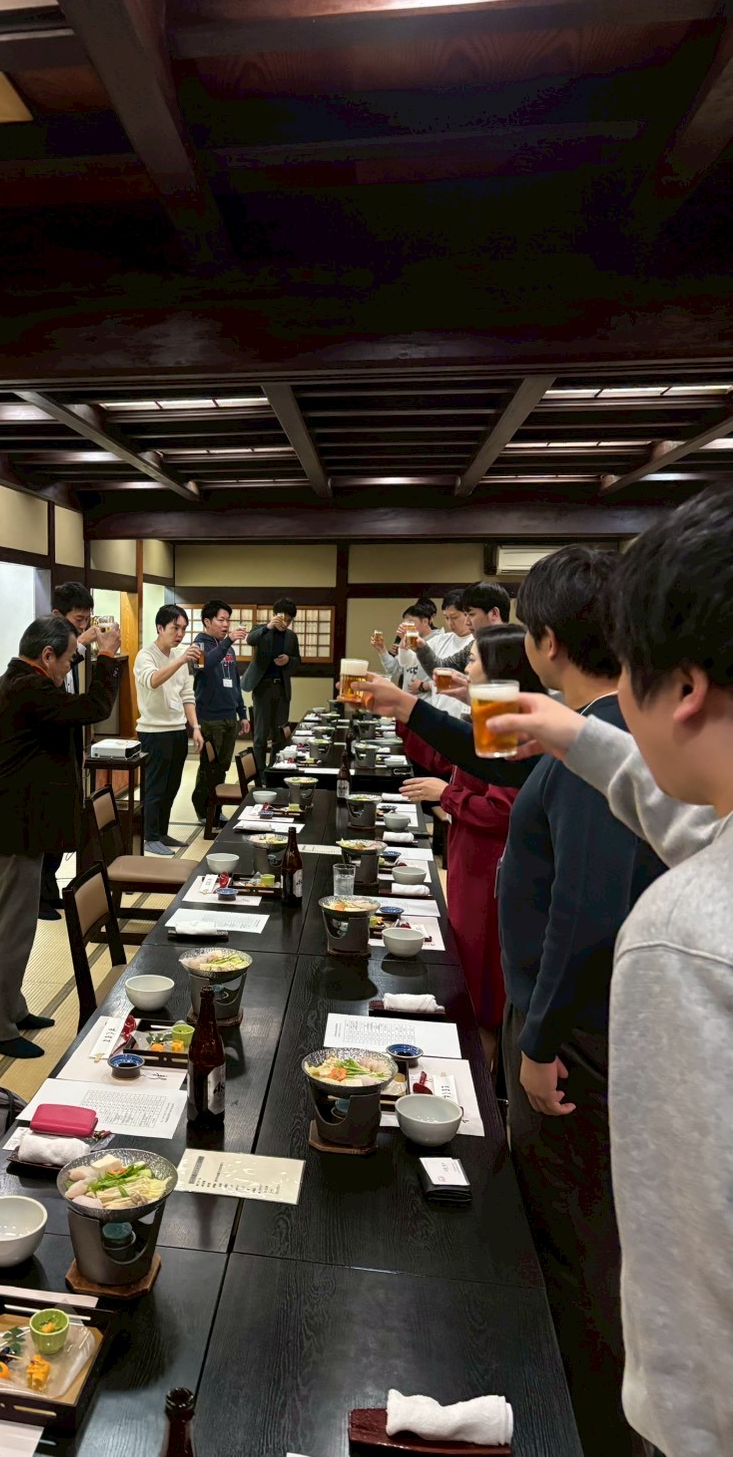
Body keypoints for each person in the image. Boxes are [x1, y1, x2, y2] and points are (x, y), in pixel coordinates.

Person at [359, 548, 663, 1457]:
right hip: (587, 1030)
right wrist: (413, 707)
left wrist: (537, 1039)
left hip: (576, 1043)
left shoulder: (600, 742)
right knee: (569, 1236)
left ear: (547, 640)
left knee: (573, 1250)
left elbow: (584, 909)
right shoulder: (592, 729)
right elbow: (490, 752)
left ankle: (582, 1425)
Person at [485, 486, 733, 1457]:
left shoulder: (683, 935)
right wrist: (569, 734)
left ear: (684, 688)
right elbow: (691, 822)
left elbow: (682, 1269)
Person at [0, 616, 123, 1059]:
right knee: (11, 930)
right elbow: (93, 708)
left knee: (15, 927)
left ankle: (12, 1008)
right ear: (47, 655)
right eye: (68, 659)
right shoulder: (29, 689)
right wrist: (107, 656)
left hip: (14, 827)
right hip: (12, 830)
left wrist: (85, 648)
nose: (70, 668)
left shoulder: (12, 684)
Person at [398, 625, 544, 1066]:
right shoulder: (492, 718)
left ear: (501, 670)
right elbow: (450, 758)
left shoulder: (515, 731)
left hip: (489, 867)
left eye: (475, 658)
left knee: (481, 985)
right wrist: (405, 714)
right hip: (468, 858)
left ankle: (480, 1079)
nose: (466, 666)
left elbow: (503, 809)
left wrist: (446, 795)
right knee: (464, 958)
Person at [39, 581, 102, 920]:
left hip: (69, 743)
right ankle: (39, 896)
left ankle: (50, 888)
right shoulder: (45, 648)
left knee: (62, 822)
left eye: (87, 619)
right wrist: (82, 643)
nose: (84, 625)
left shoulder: (69, 651)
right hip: (47, 753)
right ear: (57, 615)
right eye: (79, 620)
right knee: (47, 824)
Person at [134, 605, 204, 855]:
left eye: (183, 629)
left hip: (177, 730)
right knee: (155, 786)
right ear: (160, 628)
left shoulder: (178, 656)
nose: (180, 634)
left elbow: (187, 696)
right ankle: (150, 836)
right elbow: (153, 680)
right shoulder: (146, 656)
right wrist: (181, 660)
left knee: (172, 785)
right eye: (175, 628)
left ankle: (162, 832)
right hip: (153, 732)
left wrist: (195, 727)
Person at [191, 599, 250, 830]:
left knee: (223, 766)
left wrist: (242, 713)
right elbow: (205, 665)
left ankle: (216, 808)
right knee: (209, 766)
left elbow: (235, 683)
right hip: (209, 716)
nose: (226, 624)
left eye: (228, 620)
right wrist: (227, 641)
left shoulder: (228, 648)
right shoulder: (199, 645)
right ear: (207, 621)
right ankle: (203, 808)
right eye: (221, 620)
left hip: (229, 716)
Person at [243, 597, 301, 780]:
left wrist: (288, 660)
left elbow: (297, 660)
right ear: (275, 615)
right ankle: (261, 775)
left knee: (280, 734)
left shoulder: (291, 637)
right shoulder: (261, 629)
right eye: (284, 619)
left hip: (282, 688)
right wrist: (268, 627)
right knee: (260, 736)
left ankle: (274, 771)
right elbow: (250, 640)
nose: (286, 624)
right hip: (262, 687)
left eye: (289, 621)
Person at [415, 579, 511, 680]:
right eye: (466, 614)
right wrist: (421, 647)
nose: (467, 622)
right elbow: (441, 669)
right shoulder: (475, 644)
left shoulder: (516, 645)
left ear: (494, 613)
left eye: (471, 614)